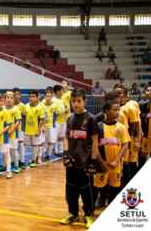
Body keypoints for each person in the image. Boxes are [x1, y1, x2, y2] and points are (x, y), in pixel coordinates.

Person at [61, 87, 98, 229]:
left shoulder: (90, 119)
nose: (76, 104)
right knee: (71, 190)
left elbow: (95, 141)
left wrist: (93, 162)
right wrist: (66, 154)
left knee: (86, 191)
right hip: (72, 162)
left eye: (79, 101)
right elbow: (66, 137)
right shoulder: (69, 118)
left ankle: (88, 214)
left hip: (85, 163)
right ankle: (73, 213)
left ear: (85, 101)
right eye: (73, 101)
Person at [94, 91, 128, 209]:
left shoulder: (121, 127)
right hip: (101, 164)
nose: (118, 112)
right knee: (98, 185)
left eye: (118, 109)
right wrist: (102, 162)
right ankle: (94, 205)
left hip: (115, 164)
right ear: (107, 111)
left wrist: (116, 161)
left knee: (114, 186)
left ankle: (111, 207)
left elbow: (125, 145)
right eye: (115, 110)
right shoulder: (98, 125)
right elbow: (95, 145)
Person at [114, 85, 141, 187]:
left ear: (125, 95)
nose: (117, 95)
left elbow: (137, 125)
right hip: (114, 142)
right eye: (115, 93)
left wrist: (138, 140)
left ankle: (128, 187)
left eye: (119, 93)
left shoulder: (130, 108)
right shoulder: (111, 108)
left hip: (127, 141)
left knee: (127, 164)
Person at [23, 90, 45, 168]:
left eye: (33, 97)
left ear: (37, 98)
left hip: (35, 131)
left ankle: (34, 160)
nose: (31, 98)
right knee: (23, 144)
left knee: (35, 145)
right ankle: (22, 160)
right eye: (30, 97)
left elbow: (41, 120)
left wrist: (39, 130)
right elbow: (24, 118)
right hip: (26, 130)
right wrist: (23, 128)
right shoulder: (25, 106)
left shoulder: (40, 107)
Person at [5, 91, 22, 173]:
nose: (9, 99)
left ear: (14, 99)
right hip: (4, 134)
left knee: (14, 149)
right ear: (5, 98)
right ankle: (5, 165)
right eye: (8, 97)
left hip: (13, 133)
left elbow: (18, 122)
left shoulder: (16, 109)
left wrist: (11, 131)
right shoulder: (3, 109)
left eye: (11, 98)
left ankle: (16, 165)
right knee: (4, 150)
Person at [139, 87, 151, 171]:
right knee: (143, 154)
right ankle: (138, 173)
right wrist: (140, 131)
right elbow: (139, 119)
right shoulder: (145, 104)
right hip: (146, 134)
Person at [43, 90, 59, 162]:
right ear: (44, 97)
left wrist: (52, 121)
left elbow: (57, 115)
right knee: (42, 141)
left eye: (50, 96)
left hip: (51, 126)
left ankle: (48, 155)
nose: (48, 98)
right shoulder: (41, 105)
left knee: (50, 141)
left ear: (52, 97)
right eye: (47, 96)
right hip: (43, 126)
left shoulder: (55, 106)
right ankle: (40, 155)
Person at [13, 87, 26, 169]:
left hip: (19, 129)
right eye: (15, 94)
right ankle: (13, 161)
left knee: (20, 144)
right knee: (12, 146)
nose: (17, 96)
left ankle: (22, 161)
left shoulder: (22, 106)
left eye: (18, 94)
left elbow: (23, 117)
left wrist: (22, 127)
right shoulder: (8, 105)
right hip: (11, 129)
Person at [52, 85, 66, 156]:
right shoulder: (52, 99)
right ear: (58, 91)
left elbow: (65, 107)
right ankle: (56, 150)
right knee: (55, 137)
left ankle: (61, 151)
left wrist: (66, 110)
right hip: (56, 122)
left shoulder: (62, 99)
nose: (63, 92)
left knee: (61, 136)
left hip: (63, 121)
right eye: (62, 90)